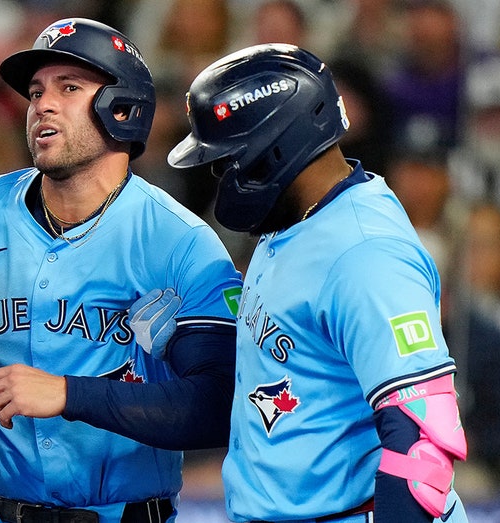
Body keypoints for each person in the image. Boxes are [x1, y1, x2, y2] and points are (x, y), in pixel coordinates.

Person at [0, 18, 243, 523]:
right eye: (36, 91)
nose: (43, 104)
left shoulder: (180, 243)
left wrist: (68, 394)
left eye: (69, 88)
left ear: (122, 109)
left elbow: (218, 404)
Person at [168, 43, 468, 523]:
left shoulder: (366, 254)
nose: (221, 175)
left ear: (277, 145)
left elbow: (422, 444)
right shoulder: (293, 218)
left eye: (228, 160)